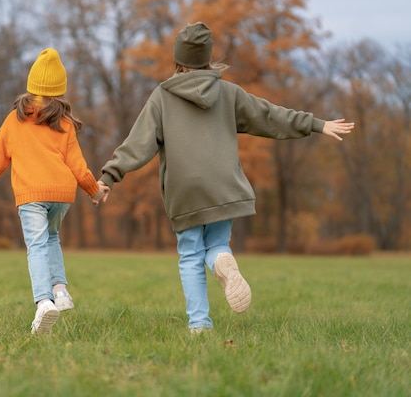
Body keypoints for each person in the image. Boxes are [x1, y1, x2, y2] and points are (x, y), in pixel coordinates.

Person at [98, 22, 354, 334]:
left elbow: (137, 144)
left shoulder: (162, 97)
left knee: (191, 255)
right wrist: (316, 124)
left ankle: (200, 324)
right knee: (217, 244)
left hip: (185, 191)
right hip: (224, 186)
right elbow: (271, 116)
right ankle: (222, 260)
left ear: (177, 57)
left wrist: (109, 176)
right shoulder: (228, 93)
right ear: (208, 57)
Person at [0, 48, 108, 335]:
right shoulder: (64, 122)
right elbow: (78, 165)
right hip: (62, 195)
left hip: (32, 194)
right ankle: (60, 292)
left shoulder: (16, 119)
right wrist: (94, 190)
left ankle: (43, 302)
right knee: (51, 239)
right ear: (60, 90)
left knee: (36, 246)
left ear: (31, 84)